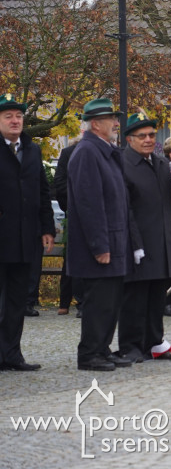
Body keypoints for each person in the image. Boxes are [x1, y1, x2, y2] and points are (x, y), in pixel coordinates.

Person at [66, 98, 133, 371]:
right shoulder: (87, 153)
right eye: (111, 119)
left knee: (110, 302)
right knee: (98, 303)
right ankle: (90, 354)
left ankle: (102, 350)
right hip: (99, 246)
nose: (116, 123)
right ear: (96, 124)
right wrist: (99, 245)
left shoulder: (105, 151)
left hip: (114, 241)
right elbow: (89, 204)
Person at [0, 94, 55, 371]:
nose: (15, 120)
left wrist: (47, 228)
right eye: (8, 116)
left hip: (24, 239)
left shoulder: (32, 151)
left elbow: (42, 193)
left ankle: (12, 355)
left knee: (17, 301)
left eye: (19, 116)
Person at [119, 112, 171, 362]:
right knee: (135, 297)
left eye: (152, 135)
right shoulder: (123, 164)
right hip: (137, 241)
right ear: (130, 139)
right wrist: (134, 243)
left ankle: (153, 340)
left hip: (160, 241)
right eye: (142, 136)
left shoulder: (161, 164)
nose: (149, 139)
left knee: (156, 297)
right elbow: (125, 208)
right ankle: (130, 345)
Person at [53, 123, 85, 317]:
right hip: (74, 213)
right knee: (73, 258)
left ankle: (85, 302)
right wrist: (70, 207)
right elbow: (60, 183)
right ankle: (71, 301)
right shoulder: (68, 153)